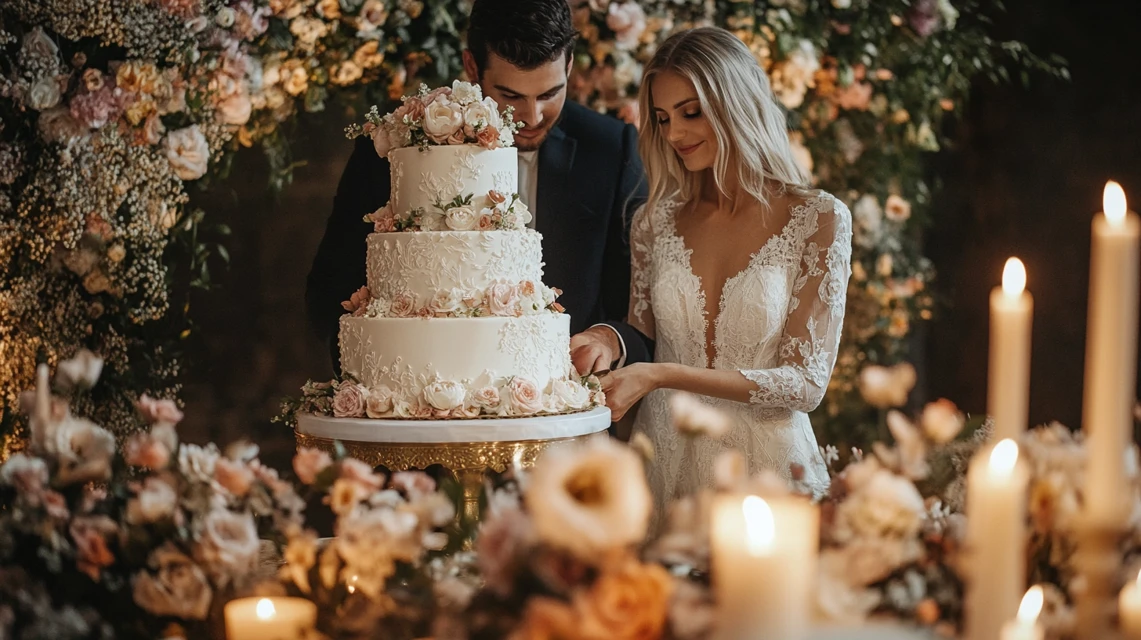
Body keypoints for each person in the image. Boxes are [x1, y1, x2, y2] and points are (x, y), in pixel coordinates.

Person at [305, 0, 650, 374]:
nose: (533, 117)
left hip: (567, 414)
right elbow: (328, 292)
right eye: (512, 96)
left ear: (568, 66)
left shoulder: (612, 149)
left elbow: (640, 311)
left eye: (550, 94)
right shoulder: (397, 147)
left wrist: (606, 338)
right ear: (472, 67)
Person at [591, 27, 852, 507]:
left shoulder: (818, 218)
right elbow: (641, 335)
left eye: (692, 113)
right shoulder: (655, 222)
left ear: (737, 103)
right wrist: (606, 344)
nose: (675, 134)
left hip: (767, 472)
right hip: (665, 464)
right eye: (663, 118)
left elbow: (805, 383)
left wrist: (662, 376)